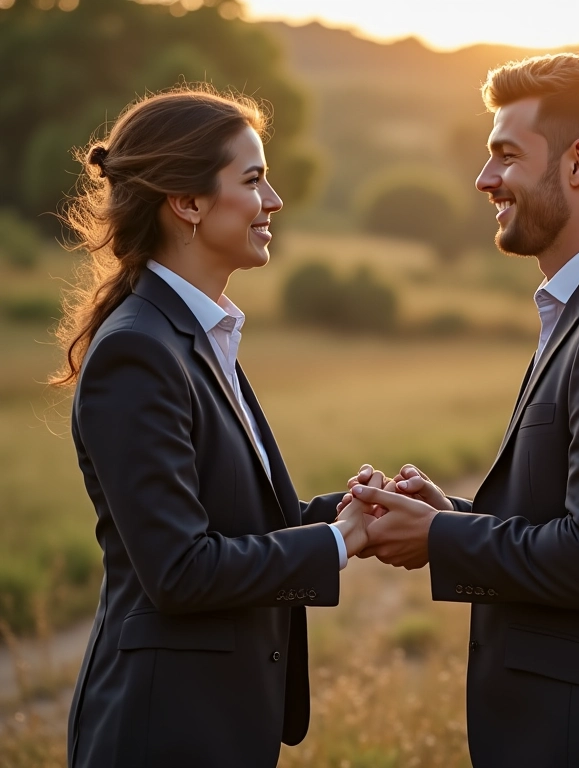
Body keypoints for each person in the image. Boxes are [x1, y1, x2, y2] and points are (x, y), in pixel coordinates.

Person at [348, 52, 579, 767]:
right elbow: (570, 517)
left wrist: (441, 538)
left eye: (507, 155)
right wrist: (451, 518)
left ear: (578, 163)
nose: (485, 178)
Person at [51, 85, 372, 768]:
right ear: (187, 202)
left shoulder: (197, 334)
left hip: (213, 725)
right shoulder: (138, 352)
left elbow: (235, 523)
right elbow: (180, 570)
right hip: (162, 732)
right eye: (252, 180)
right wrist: (337, 543)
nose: (273, 200)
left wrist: (351, 513)